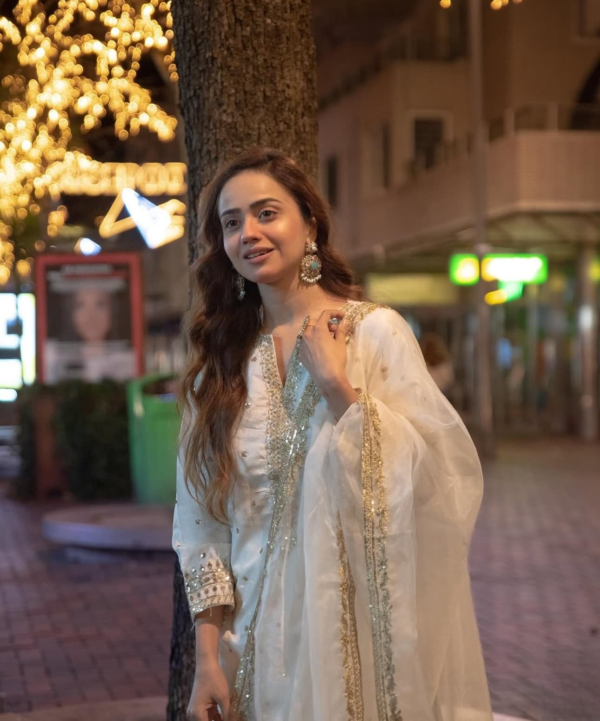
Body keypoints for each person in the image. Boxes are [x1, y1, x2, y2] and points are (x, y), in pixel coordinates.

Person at [173, 148, 493, 721]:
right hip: (251, 652)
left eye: (266, 213)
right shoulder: (222, 365)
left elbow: (440, 483)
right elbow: (203, 524)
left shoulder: (374, 333)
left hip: (357, 650)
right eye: (231, 222)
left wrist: (338, 388)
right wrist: (206, 661)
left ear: (310, 223)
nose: (249, 232)